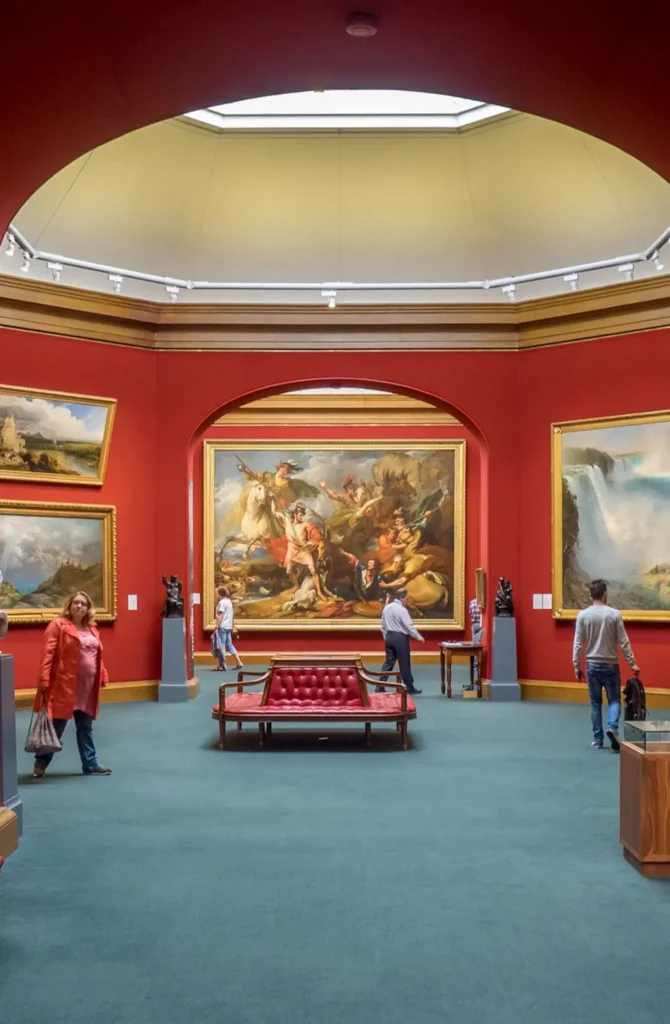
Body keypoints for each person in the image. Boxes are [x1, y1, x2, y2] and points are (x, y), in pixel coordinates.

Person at [33, 591, 111, 778]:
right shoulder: (58, 626)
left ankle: (90, 764)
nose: (79, 606)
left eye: (83, 604)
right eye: (76, 603)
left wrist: (102, 675)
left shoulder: (92, 628)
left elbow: (96, 658)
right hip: (64, 687)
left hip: (87, 688)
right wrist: (43, 680)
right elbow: (47, 654)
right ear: (69, 606)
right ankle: (41, 763)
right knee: (56, 727)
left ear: (88, 608)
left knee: (85, 726)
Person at [572, 578, 640, 751]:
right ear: (604, 595)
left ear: (591, 595)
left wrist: (576, 665)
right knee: (614, 700)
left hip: (592, 664)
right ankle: (612, 727)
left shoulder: (583, 616)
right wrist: (632, 664)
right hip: (610, 665)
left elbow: (578, 643)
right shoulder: (614, 615)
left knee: (595, 703)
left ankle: (597, 739)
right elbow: (623, 642)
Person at [377, 588, 424, 695]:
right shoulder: (402, 610)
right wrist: (418, 637)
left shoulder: (387, 608)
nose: (407, 600)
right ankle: (410, 687)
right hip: (400, 638)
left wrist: (386, 637)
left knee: (389, 663)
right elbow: (409, 626)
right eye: (407, 598)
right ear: (402, 598)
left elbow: (383, 625)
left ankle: (380, 686)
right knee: (404, 664)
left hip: (389, 637)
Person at [214, 585, 243, 671]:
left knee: (221, 645)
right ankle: (238, 662)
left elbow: (221, 615)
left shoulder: (222, 602)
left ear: (219, 593)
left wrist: (216, 626)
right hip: (228, 626)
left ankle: (222, 665)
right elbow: (230, 615)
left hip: (222, 626)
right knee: (229, 644)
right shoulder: (229, 601)